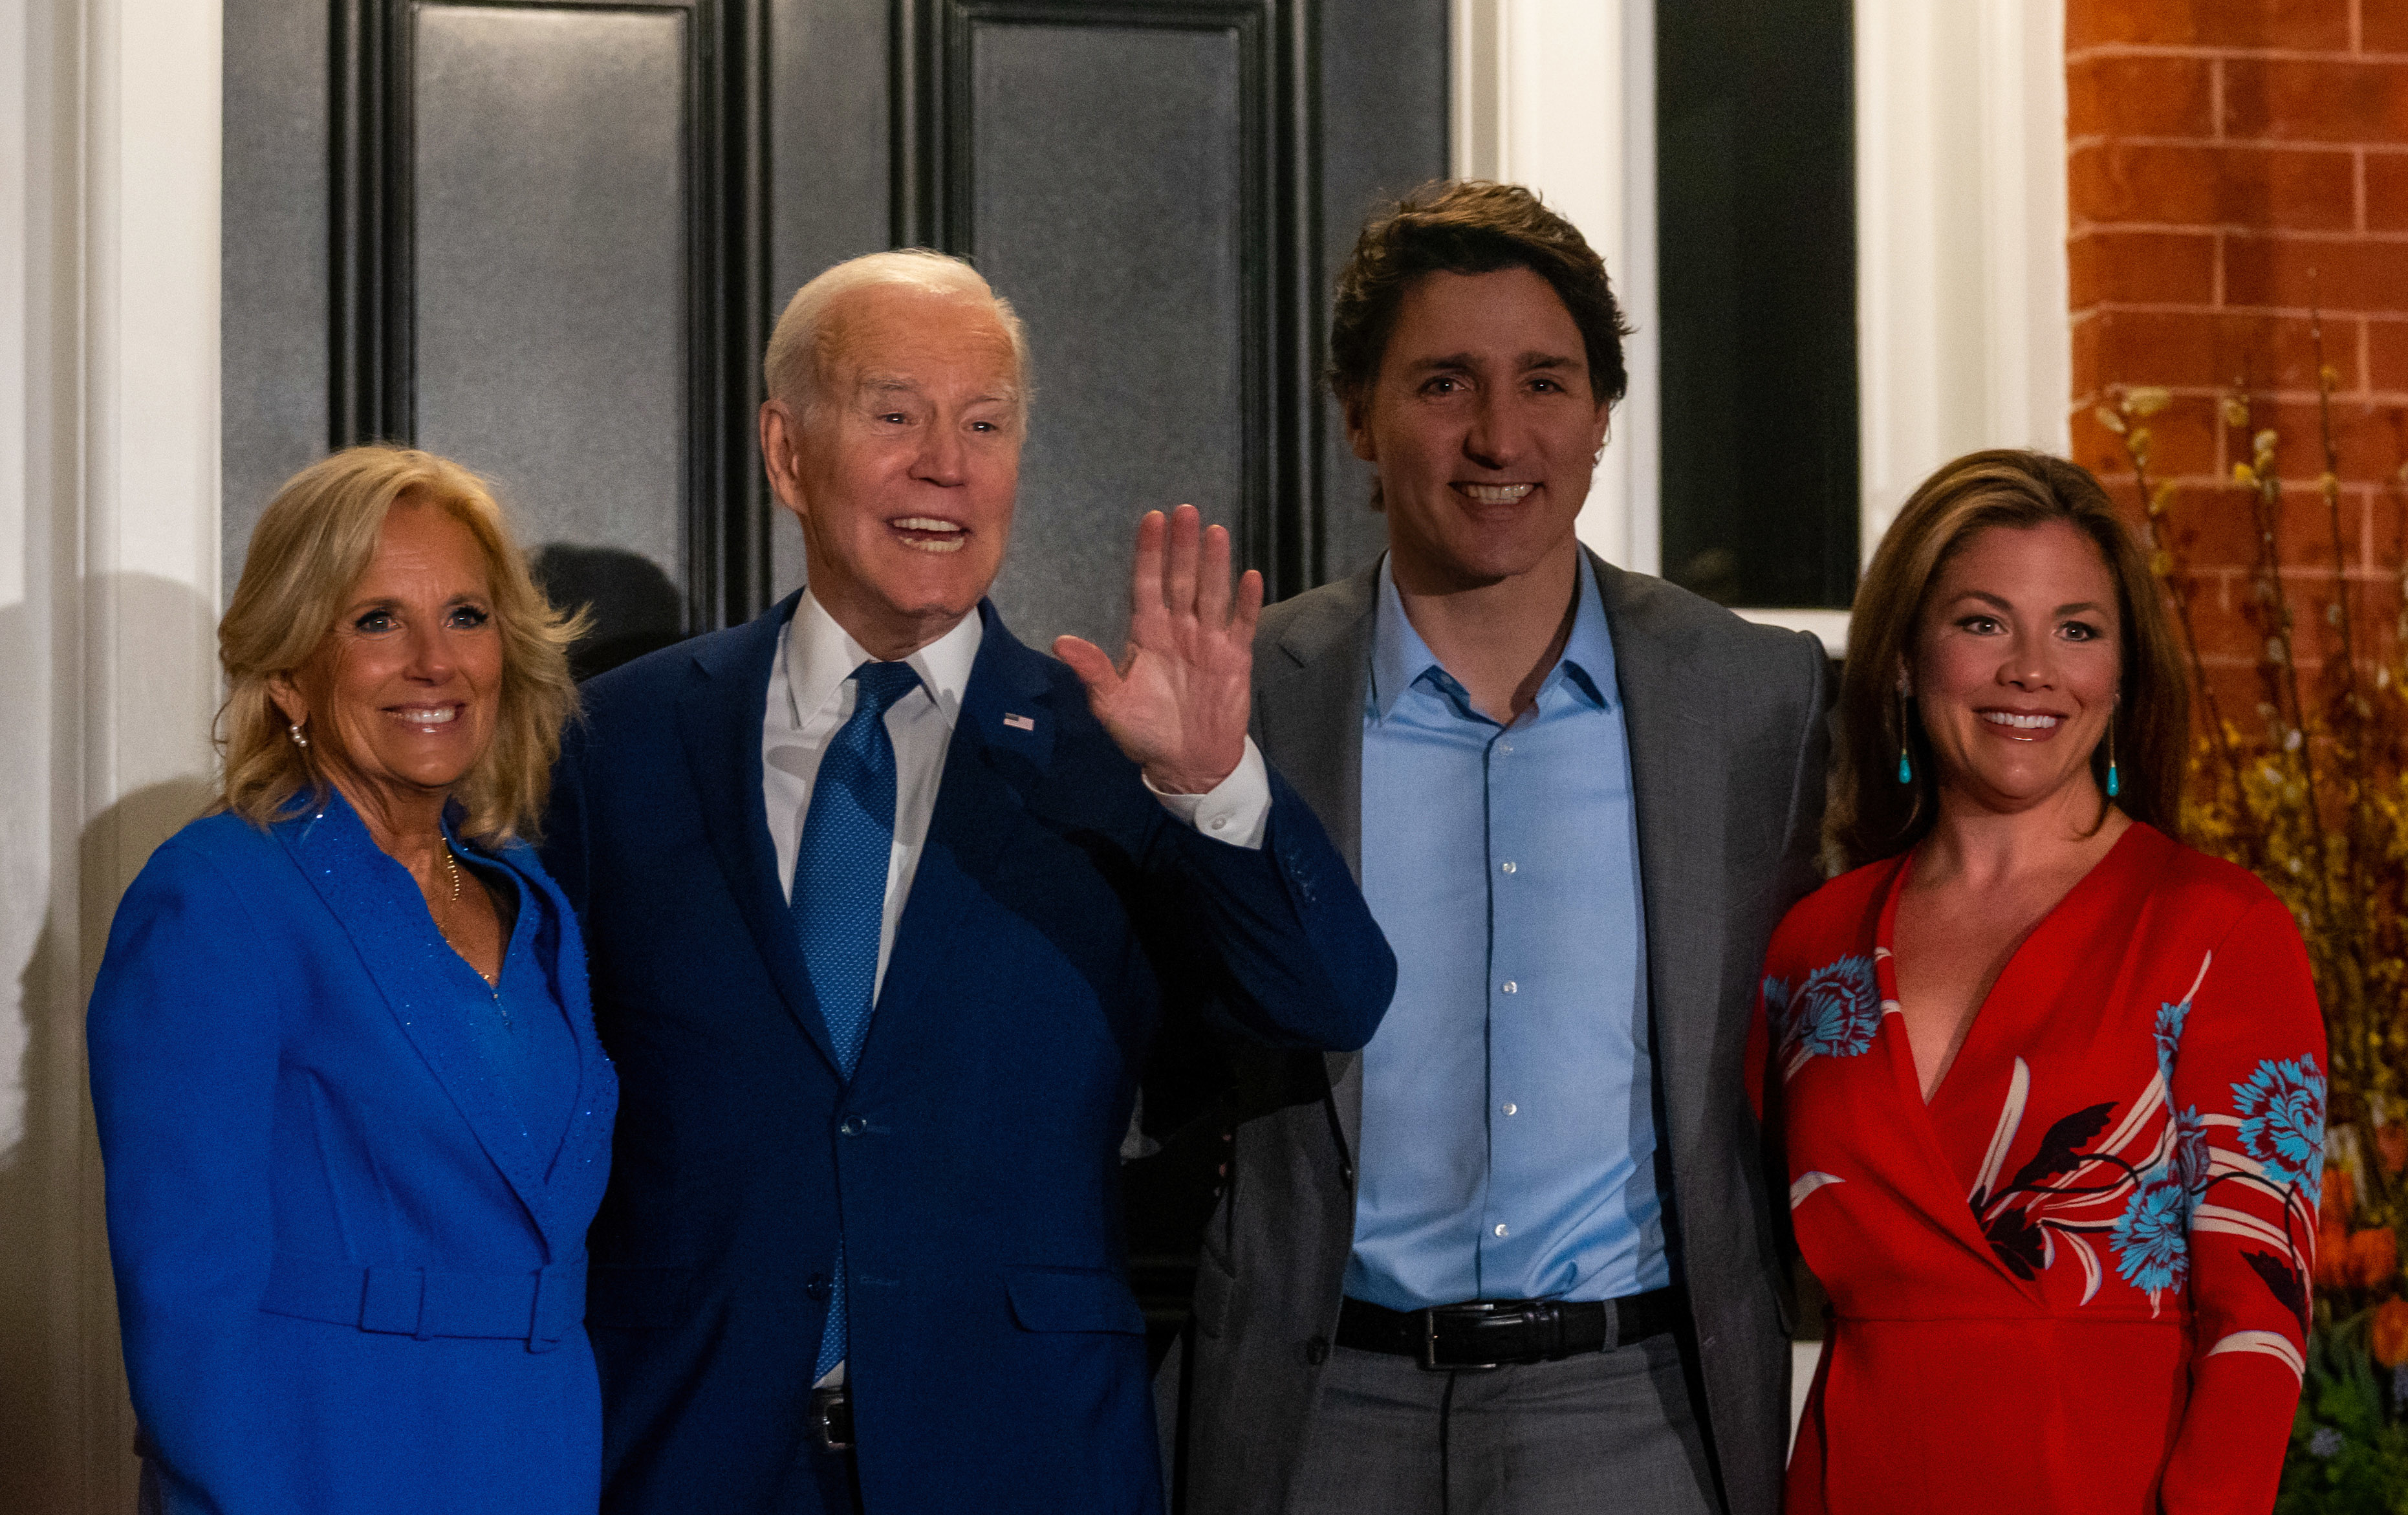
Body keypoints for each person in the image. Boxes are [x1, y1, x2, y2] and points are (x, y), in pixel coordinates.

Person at [544, 248, 1396, 1514]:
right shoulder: (616, 741)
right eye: (894, 413)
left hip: (1022, 1453)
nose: (945, 461)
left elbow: (1328, 997)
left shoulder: (1111, 748)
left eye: (984, 422)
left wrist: (1216, 782)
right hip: (683, 1450)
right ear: (787, 451)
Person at [1163, 180, 1830, 1515]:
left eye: (1544, 381)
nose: (1497, 435)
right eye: (1441, 384)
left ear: (1598, 413)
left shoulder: (1754, 696)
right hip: (1315, 1411)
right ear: (1356, 410)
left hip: (1641, 1414)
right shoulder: (1241, 694)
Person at [1748, 450, 2325, 1512]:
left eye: (2077, 628)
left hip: (2106, 1481)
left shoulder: (2220, 933)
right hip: (1849, 1480)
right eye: (1982, 622)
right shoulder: (1811, 947)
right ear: (1906, 660)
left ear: (2123, 671)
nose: (2032, 669)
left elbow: (2260, 1319)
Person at [87, 445, 614, 1515]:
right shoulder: (218, 896)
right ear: (289, 672)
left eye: (466, 616)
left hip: (537, 1457)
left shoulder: (529, 898)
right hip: (321, 1464)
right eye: (377, 621)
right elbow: (188, 1305)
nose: (435, 661)